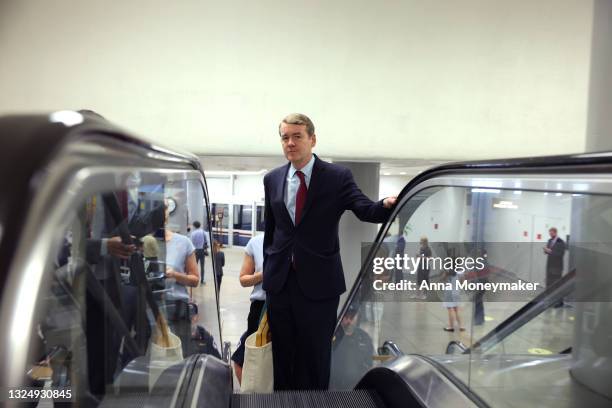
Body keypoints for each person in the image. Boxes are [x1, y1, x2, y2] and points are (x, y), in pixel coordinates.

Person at [263, 113, 397, 390]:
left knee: (315, 357)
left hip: (319, 284)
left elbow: (365, 209)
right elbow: (273, 230)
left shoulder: (336, 177)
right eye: (285, 137)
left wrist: (387, 204)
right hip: (280, 283)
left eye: (297, 136)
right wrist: (269, 270)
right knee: (282, 355)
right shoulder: (272, 179)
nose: (290, 142)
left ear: (312, 139)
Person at [164, 199, 200, 355]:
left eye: (163, 209)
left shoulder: (183, 242)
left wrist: (175, 275)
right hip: (146, 307)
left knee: (179, 352)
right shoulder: (140, 242)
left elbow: (195, 279)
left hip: (176, 306)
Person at [231, 233, 266, 384]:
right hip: (260, 309)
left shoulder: (299, 239)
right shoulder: (256, 242)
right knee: (250, 358)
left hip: (290, 307)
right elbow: (243, 279)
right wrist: (265, 275)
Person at [330, 305, 374, 390]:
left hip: (356, 388)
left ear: (357, 318)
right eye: (346, 317)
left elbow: (368, 364)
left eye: (352, 317)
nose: (349, 321)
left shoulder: (364, 338)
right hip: (334, 388)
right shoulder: (333, 336)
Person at [543, 227, 566, 307]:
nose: (550, 234)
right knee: (549, 284)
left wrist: (550, 251)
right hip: (549, 266)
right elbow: (547, 252)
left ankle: (560, 302)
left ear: (555, 233)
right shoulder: (549, 241)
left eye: (551, 233)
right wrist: (545, 250)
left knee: (557, 284)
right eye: (549, 233)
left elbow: (560, 254)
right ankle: (549, 300)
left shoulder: (561, 242)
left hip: (557, 267)